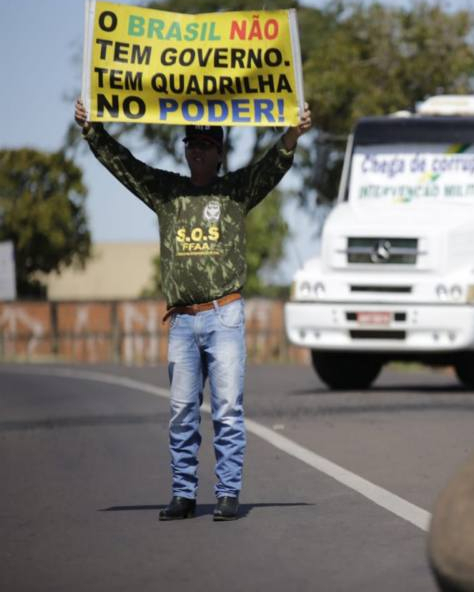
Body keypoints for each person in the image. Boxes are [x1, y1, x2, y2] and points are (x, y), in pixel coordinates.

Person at [74, 98, 312, 521]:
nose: (197, 150)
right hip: (182, 320)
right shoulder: (167, 192)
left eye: (205, 143)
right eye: (191, 143)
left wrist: (293, 131)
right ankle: (183, 493)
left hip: (225, 316)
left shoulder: (236, 191)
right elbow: (124, 165)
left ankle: (227, 494)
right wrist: (92, 130)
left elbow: (274, 164)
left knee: (226, 409)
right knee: (182, 412)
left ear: (220, 153)